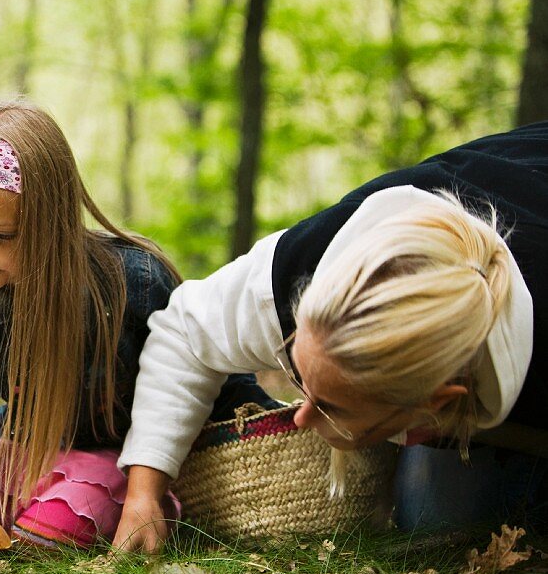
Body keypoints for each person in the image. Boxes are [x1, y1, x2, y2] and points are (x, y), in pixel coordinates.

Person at [115, 122, 548, 551]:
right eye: (302, 378)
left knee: (466, 517)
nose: (300, 419)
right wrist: (144, 492)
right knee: (431, 517)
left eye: (332, 407)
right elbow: (185, 332)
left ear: (436, 400)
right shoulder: (307, 261)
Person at [0, 97, 275, 548]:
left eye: (3, 235)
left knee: (51, 531)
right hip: (32, 456)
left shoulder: (130, 284)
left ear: (49, 222)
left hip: (126, 463)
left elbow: (204, 367)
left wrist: (266, 426)